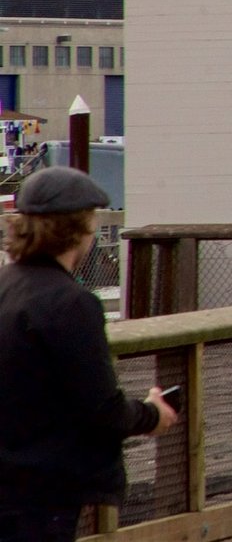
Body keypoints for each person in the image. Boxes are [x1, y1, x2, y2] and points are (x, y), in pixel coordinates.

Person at [0, 168, 175, 542]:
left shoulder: (6, 287)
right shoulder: (72, 304)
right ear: (78, 232)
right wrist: (152, 414)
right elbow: (101, 408)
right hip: (42, 493)